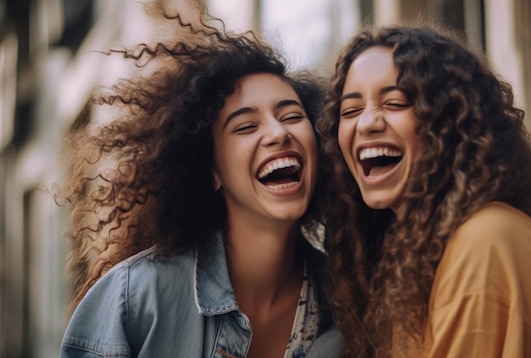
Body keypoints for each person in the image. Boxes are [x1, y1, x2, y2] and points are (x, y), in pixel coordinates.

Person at [316, 25, 531, 357]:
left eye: (396, 102)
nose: (367, 123)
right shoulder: (412, 257)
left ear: (451, 120)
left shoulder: (487, 240)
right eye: (350, 110)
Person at [57, 9, 336, 358]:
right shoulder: (134, 300)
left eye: (292, 117)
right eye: (246, 126)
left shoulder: (349, 304)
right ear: (211, 171)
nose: (279, 133)